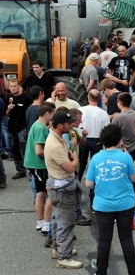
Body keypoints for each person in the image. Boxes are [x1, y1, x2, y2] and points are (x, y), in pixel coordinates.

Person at [85, 124, 135, 275]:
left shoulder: (96, 158)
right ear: (119, 140)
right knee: (126, 238)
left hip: (103, 205)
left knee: (104, 240)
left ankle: (101, 271)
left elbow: (88, 183)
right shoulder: (125, 156)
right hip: (125, 203)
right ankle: (133, 271)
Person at [45, 111, 82, 269]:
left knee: (57, 220)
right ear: (60, 125)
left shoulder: (58, 137)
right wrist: (76, 159)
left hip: (57, 185)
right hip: (62, 187)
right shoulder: (54, 145)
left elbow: (67, 151)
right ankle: (64, 257)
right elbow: (70, 166)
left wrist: (71, 150)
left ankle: (58, 249)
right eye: (68, 123)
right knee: (65, 223)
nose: (72, 124)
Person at [23, 102, 55, 235]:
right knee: (47, 193)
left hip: (33, 164)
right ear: (47, 113)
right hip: (39, 164)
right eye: (52, 113)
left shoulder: (38, 125)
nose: (53, 116)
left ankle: (40, 222)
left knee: (40, 193)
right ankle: (45, 225)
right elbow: (39, 151)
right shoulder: (40, 128)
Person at [6, 79, 33, 179]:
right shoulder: (9, 97)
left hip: (23, 128)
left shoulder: (26, 98)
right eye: (11, 86)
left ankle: (31, 172)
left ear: (19, 86)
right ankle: (20, 170)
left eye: (15, 86)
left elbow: (31, 112)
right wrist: (9, 109)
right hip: (12, 128)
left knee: (26, 150)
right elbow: (6, 115)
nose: (13, 88)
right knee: (15, 150)